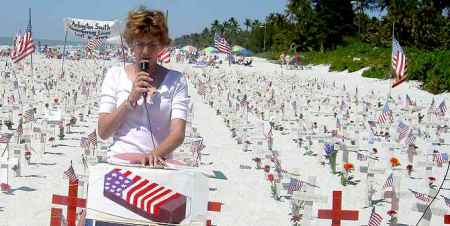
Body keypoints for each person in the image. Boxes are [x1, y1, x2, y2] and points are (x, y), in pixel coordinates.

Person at [98, 7, 189, 166]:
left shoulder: (176, 80)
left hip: (159, 162)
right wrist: (130, 100)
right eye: (140, 44)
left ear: (161, 46)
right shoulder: (115, 75)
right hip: (121, 161)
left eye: (152, 45)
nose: (145, 51)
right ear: (131, 45)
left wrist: (152, 156)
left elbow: (178, 133)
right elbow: (103, 131)